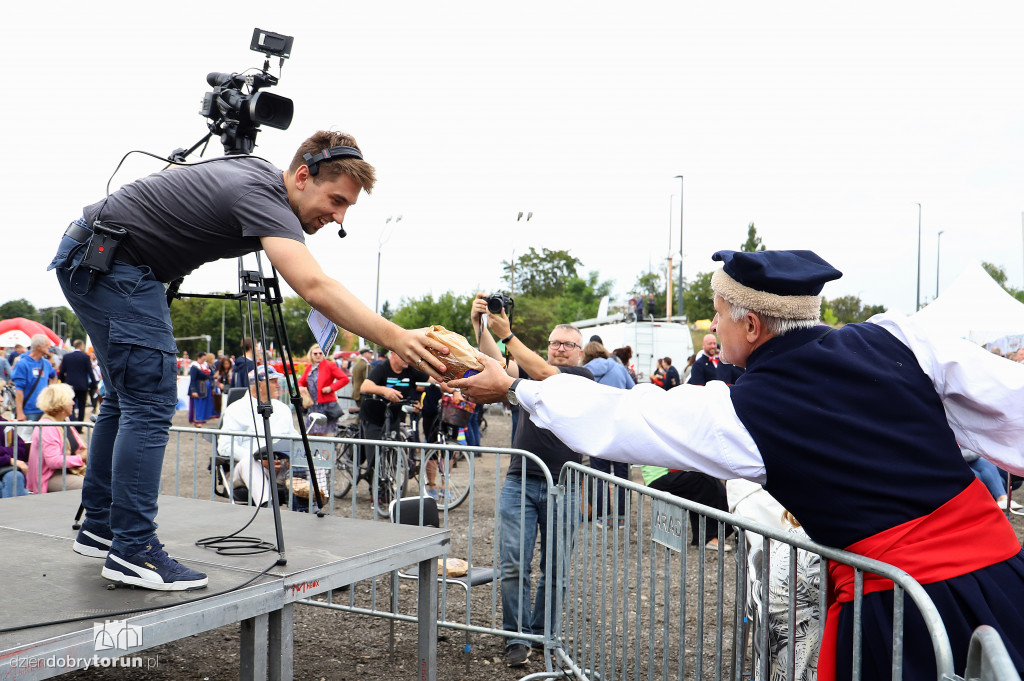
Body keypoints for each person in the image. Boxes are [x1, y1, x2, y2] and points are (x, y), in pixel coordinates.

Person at [451, 249, 1024, 680]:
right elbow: (1011, 399)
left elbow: (624, 416)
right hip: (1000, 573)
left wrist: (514, 391)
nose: (712, 325)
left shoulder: (744, 411)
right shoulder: (897, 336)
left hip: (900, 612)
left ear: (752, 326)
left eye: (719, 314)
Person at [50, 130, 450, 592]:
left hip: (97, 255)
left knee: (126, 399)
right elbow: (314, 286)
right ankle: (132, 550)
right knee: (150, 399)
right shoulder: (262, 195)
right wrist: (396, 335)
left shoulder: (260, 177)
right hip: (112, 264)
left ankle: (101, 527)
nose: (339, 217)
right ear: (303, 176)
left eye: (347, 208)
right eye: (336, 199)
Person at [466, 293, 594, 668]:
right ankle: (517, 638)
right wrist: (482, 326)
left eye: (568, 344)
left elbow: (537, 370)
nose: (559, 349)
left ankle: (544, 635)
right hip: (520, 480)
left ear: (579, 351)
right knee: (513, 564)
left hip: (564, 486)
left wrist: (509, 336)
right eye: (554, 343)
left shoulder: (581, 377)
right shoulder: (533, 375)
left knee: (556, 569)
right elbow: (497, 367)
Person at [218, 366, 297, 507]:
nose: (278, 385)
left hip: (280, 468)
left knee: (312, 458)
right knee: (251, 462)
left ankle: (316, 507)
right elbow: (225, 446)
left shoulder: (283, 409)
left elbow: (294, 439)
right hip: (244, 470)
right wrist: (260, 459)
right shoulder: (235, 410)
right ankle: (267, 507)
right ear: (259, 385)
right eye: (273, 381)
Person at [358, 350, 429, 500]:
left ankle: (387, 489)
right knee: (375, 456)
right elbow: (364, 386)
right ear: (394, 354)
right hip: (374, 416)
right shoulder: (382, 368)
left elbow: (433, 380)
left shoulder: (409, 370)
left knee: (392, 455)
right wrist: (384, 390)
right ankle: (376, 494)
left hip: (393, 416)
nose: (408, 359)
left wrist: (454, 390)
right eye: (405, 355)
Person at [582, 340, 634, 525]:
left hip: (597, 428)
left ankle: (603, 517)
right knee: (622, 474)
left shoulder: (584, 371)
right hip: (620, 427)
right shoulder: (619, 368)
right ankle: (620, 518)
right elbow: (633, 391)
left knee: (599, 474)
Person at [27, 384, 87, 494]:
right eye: (70, 400)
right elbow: (53, 461)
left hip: (66, 471)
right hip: (50, 476)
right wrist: (80, 458)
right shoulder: (47, 426)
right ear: (61, 404)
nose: (73, 403)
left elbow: (79, 446)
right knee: (91, 485)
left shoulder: (64, 421)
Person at [298, 343, 349, 436]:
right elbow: (301, 381)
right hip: (312, 405)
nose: (318, 355)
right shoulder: (309, 367)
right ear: (311, 355)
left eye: (320, 353)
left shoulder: (330, 365)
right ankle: (311, 451)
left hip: (325, 406)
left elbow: (345, 379)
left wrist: (331, 387)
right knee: (309, 433)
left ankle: (321, 451)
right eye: (315, 353)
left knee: (321, 435)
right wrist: (300, 387)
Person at [13, 334, 57, 422]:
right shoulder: (23, 364)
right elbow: (19, 389)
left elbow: (54, 376)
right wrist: (20, 412)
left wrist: (52, 391)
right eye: (47, 345)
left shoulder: (46, 363)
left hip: (44, 410)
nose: (49, 347)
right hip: (29, 411)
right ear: (38, 347)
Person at [58, 339, 95, 426]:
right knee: (82, 406)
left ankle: (72, 424)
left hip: (70, 385)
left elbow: (61, 372)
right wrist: (94, 385)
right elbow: (90, 372)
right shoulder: (85, 357)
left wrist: (64, 382)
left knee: (71, 406)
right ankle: (80, 427)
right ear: (81, 346)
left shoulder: (66, 357)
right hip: (83, 385)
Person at [0, 417, 30, 497]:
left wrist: (2, 452)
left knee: (15, 477)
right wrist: (9, 460)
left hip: (5, 468)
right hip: (6, 464)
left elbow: (20, 450)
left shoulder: (5, 424)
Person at [188, 351, 214, 427]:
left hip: (206, 387)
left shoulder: (206, 366)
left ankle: (203, 419)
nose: (204, 360)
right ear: (198, 358)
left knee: (204, 403)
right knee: (199, 403)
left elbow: (211, 375)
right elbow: (192, 379)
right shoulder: (194, 366)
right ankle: (198, 420)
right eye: (203, 359)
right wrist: (193, 390)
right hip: (198, 387)